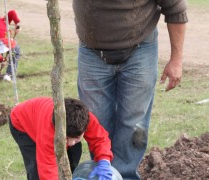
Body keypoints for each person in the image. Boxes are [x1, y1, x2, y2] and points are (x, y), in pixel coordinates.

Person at [73, 0, 188, 179]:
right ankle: (103, 173)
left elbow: (176, 9)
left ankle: (124, 175)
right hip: (92, 52)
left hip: (140, 50)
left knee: (134, 122)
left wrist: (176, 60)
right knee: (95, 121)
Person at [9, 97, 122, 180]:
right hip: (21, 123)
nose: (71, 143)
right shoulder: (47, 134)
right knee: (37, 170)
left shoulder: (85, 118)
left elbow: (100, 139)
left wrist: (104, 161)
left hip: (46, 119)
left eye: (77, 138)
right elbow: (47, 170)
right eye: (66, 138)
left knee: (73, 153)